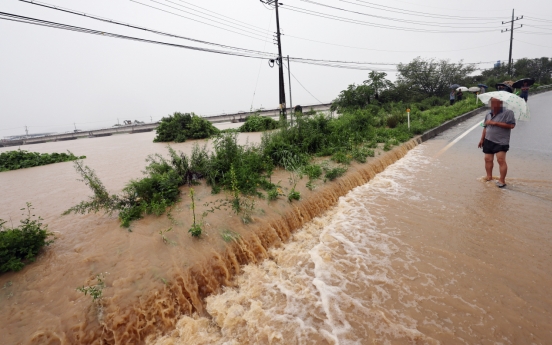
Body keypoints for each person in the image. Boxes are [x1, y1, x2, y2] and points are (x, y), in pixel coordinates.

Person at [477, 97, 516, 188]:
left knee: (501, 160)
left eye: (495, 102)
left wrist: (494, 123)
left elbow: (511, 125)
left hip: (501, 141)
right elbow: (485, 127)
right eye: (492, 102)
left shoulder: (508, 113)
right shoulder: (488, 113)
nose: (493, 105)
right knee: (487, 159)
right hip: (488, 139)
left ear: (501, 103)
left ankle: (502, 180)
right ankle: (489, 176)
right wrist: (482, 139)